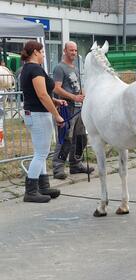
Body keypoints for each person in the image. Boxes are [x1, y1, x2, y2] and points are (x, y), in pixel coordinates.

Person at [20, 40, 67, 203]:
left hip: (33, 113)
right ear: (35, 52)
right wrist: (57, 115)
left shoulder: (27, 69)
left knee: (40, 152)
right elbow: (42, 95)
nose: (43, 55)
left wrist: (55, 101)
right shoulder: (35, 69)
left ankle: (43, 185)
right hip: (39, 114)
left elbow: (39, 94)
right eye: (42, 52)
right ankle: (31, 191)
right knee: (41, 153)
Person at [52, 41, 94, 179]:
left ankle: (76, 164)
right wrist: (73, 97)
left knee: (80, 137)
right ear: (65, 51)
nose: (74, 53)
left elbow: (79, 87)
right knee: (65, 138)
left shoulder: (75, 68)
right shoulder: (59, 68)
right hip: (67, 108)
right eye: (71, 50)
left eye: (75, 50)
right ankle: (58, 167)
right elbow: (56, 88)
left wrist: (84, 96)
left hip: (79, 108)